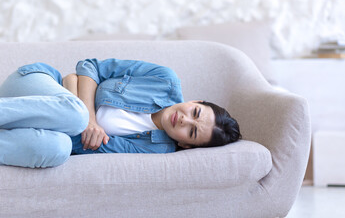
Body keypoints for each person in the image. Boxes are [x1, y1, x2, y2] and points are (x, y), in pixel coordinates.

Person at [0, 58, 241, 168]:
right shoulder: (164, 79)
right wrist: (90, 119)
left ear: (186, 145)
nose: (185, 119)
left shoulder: (157, 148)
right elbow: (89, 67)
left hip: (43, 129)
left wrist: (73, 85)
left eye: (192, 131)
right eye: (195, 112)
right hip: (32, 86)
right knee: (76, 116)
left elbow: (83, 144)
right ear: (196, 100)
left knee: (59, 150)